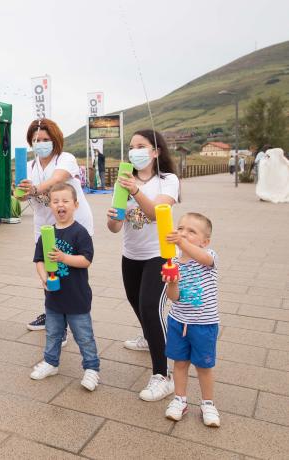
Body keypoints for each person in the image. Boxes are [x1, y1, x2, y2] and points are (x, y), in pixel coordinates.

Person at [106, 129, 180, 402]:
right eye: (131, 147)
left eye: (141, 146)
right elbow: (114, 227)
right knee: (137, 303)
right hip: (131, 255)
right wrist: (114, 216)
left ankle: (163, 375)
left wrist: (134, 190)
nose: (134, 151)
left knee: (150, 307)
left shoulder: (167, 180)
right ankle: (150, 337)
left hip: (159, 254)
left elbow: (155, 212)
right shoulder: (124, 183)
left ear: (156, 151)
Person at [16, 118, 94, 333]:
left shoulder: (65, 158)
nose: (40, 143)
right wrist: (20, 192)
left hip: (72, 225)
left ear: (55, 139)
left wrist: (34, 189)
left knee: (69, 272)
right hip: (45, 225)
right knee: (48, 270)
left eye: (45, 139)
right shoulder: (30, 166)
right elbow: (21, 196)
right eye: (35, 140)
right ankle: (53, 315)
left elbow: (57, 181)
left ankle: (73, 317)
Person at [29, 184, 100, 391]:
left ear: (75, 205)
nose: (60, 205)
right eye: (55, 201)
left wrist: (63, 258)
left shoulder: (80, 233)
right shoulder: (46, 234)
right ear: (50, 206)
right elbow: (39, 260)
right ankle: (51, 363)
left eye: (65, 201)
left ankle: (92, 368)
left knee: (84, 336)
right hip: (54, 298)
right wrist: (43, 277)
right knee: (53, 333)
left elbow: (86, 260)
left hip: (77, 298)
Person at [162, 212, 221, 427]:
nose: (183, 233)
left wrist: (181, 243)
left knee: (204, 367)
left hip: (204, 325)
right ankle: (180, 399)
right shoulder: (174, 261)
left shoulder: (208, 256)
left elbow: (204, 258)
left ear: (205, 241)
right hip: (179, 322)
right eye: (180, 229)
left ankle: (208, 403)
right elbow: (173, 298)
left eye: (191, 231)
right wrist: (172, 282)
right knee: (179, 363)